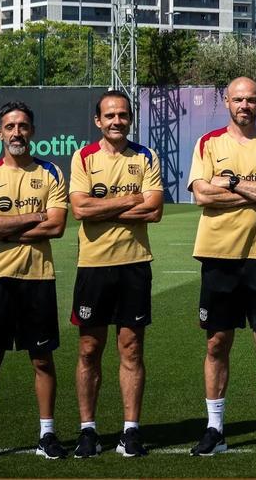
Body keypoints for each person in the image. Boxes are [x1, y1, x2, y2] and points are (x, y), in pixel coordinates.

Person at [186, 77, 256, 457]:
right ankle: (215, 429)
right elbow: (201, 194)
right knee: (217, 342)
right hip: (219, 253)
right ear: (227, 102)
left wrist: (230, 184)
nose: (244, 105)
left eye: (250, 99)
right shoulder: (208, 143)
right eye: (237, 99)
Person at [0, 102, 69, 462]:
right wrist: (34, 216)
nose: (16, 133)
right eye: (10, 127)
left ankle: (47, 435)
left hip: (38, 278)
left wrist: (7, 228)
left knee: (42, 360)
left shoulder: (51, 172)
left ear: (32, 131)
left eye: (23, 126)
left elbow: (56, 226)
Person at [68, 90, 163, 458]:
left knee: (132, 349)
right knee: (89, 349)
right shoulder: (84, 157)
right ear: (98, 121)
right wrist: (130, 199)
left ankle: (130, 430)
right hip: (93, 265)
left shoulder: (146, 156)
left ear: (130, 119)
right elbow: (80, 209)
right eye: (109, 116)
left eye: (122, 115)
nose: (116, 121)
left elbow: (154, 210)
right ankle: (88, 430)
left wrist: (102, 207)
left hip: (134, 264)